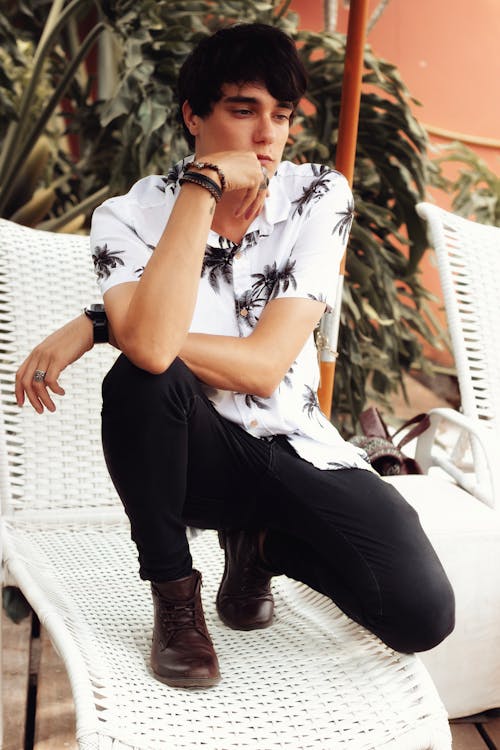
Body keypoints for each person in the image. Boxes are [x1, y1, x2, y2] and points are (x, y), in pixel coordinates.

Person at [15, 23, 455, 689]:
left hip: (297, 443)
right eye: (243, 110)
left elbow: (262, 365)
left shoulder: (317, 196)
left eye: (280, 116)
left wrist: (105, 323)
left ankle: (262, 546)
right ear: (193, 116)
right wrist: (204, 186)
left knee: (421, 613)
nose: (266, 135)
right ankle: (175, 600)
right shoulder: (127, 218)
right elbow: (155, 352)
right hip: (198, 458)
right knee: (143, 380)